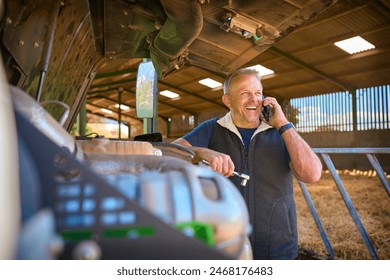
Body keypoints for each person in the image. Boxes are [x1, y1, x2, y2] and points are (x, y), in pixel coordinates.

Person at [173, 68, 322, 260]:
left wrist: (283, 123)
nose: (254, 100)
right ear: (227, 100)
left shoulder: (281, 133)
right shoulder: (212, 129)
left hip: (278, 249)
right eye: (245, 93)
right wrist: (202, 152)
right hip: (225, 248)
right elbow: (171, 152)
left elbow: (312, 174)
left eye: (258, 93)